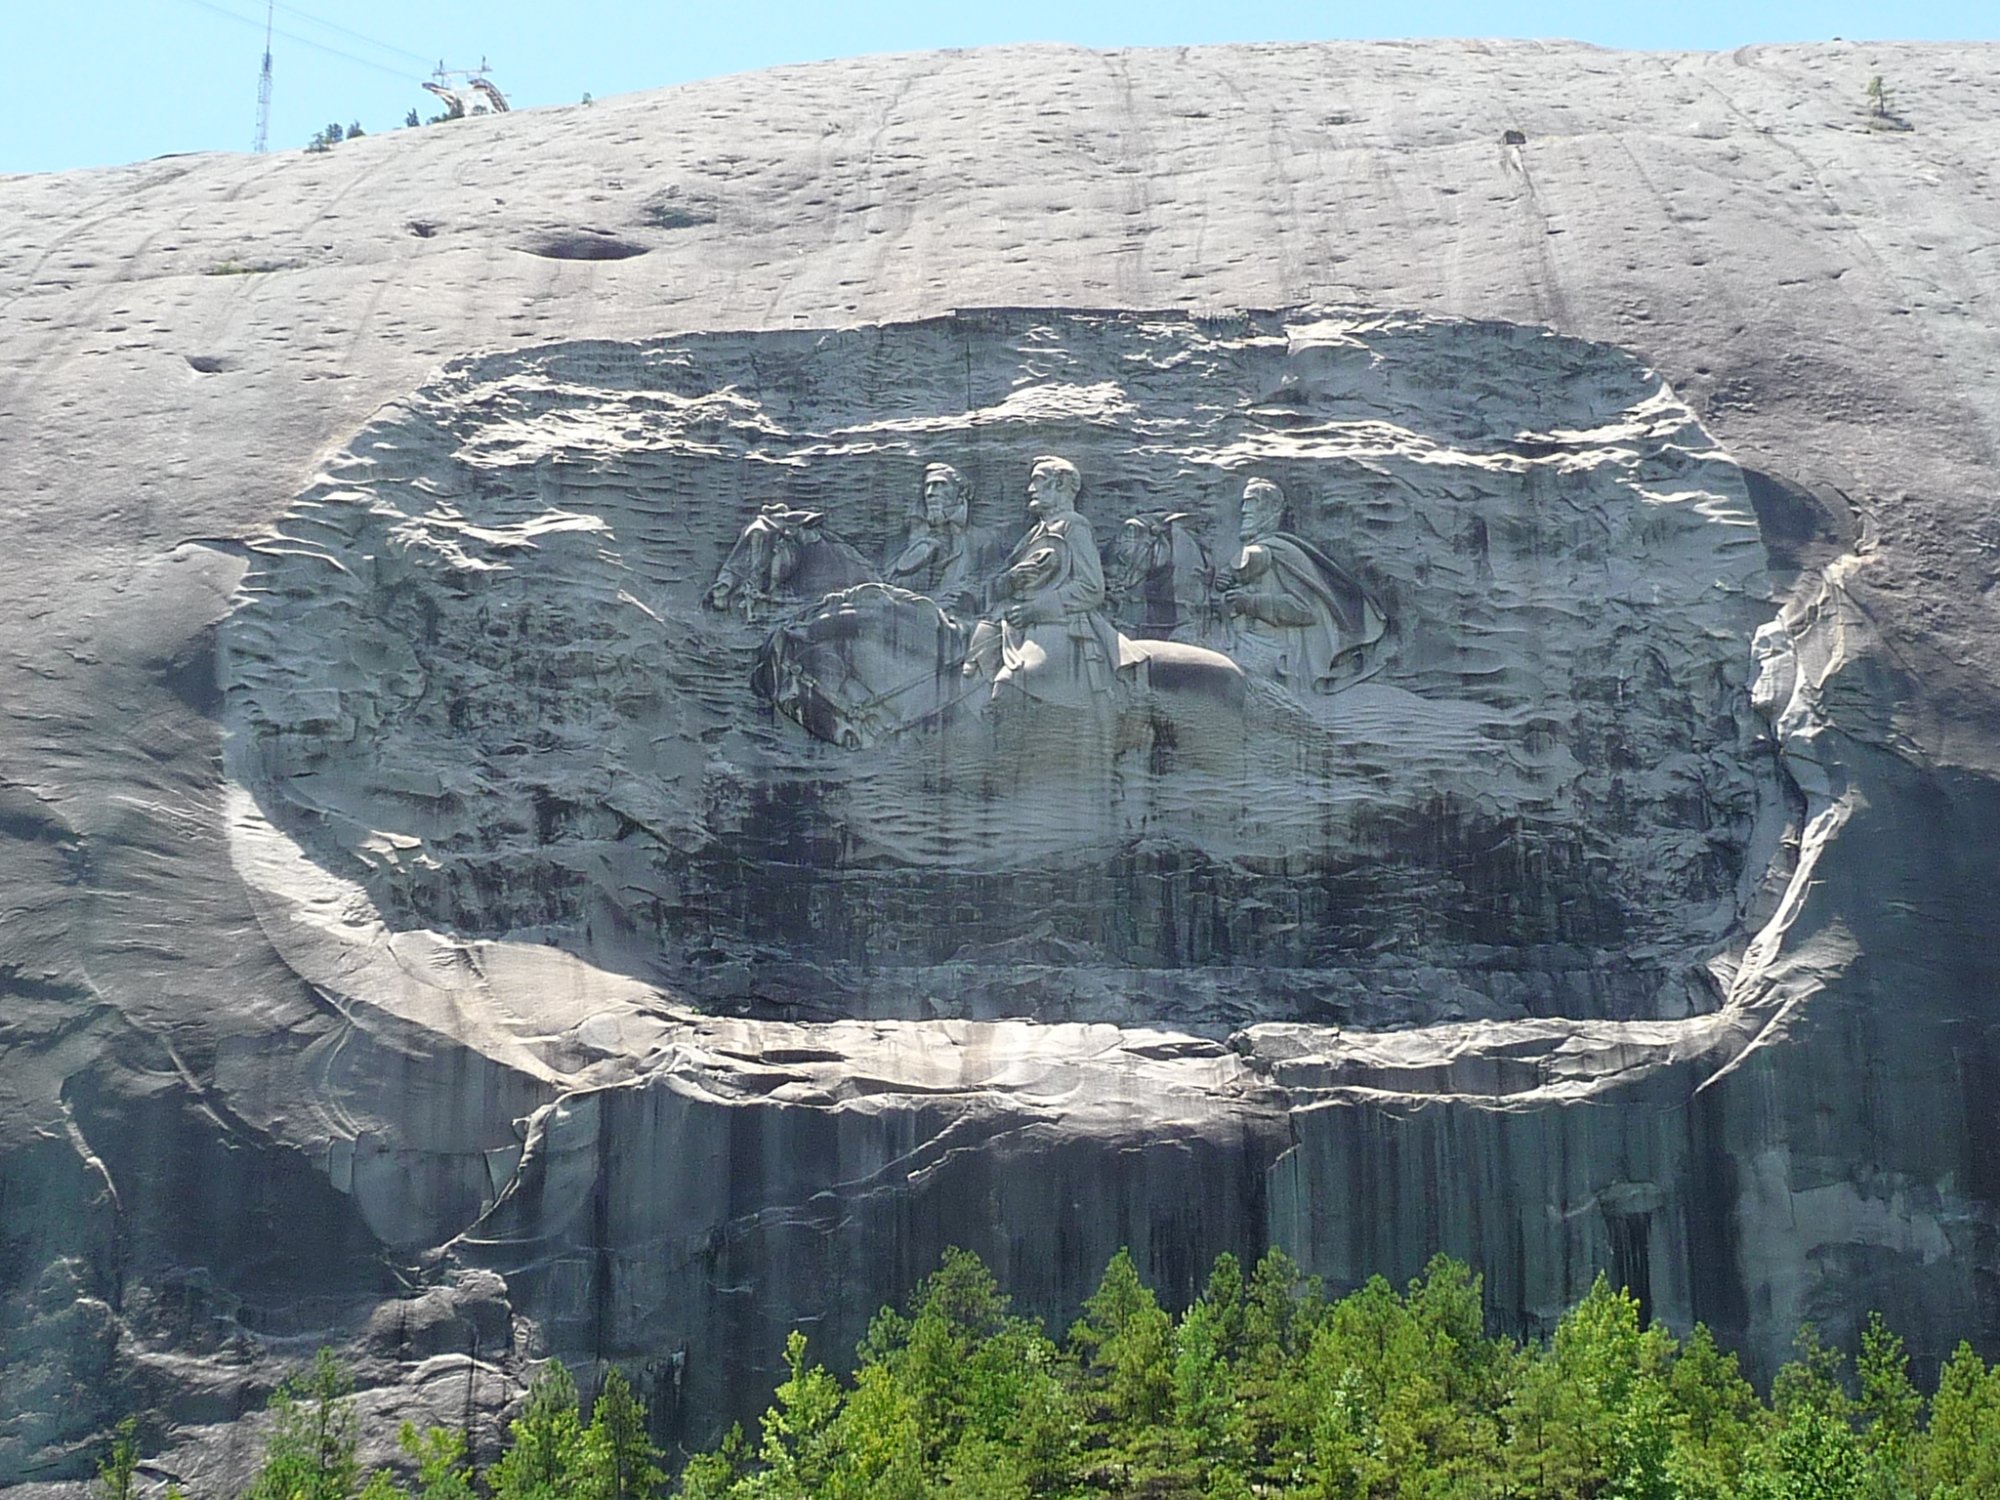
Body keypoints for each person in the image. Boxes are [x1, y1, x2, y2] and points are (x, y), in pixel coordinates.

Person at [966, 456, 1126, 710]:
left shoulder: (1074, 526)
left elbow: (1092, 587)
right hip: (1015, 626)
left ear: (1060, 484)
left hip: (1061, 626)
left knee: (1011, 684)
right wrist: (1011, 579)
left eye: (1038, 481)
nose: (1030, 489)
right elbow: (1000, 583)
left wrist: (1035, 610)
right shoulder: (1035, 533)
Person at [1223, 478, 1385, 692]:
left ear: (1271, 510)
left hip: (1275, 651)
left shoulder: (1282, 553)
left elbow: (1305, 610)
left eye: (1253, 502)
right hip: (1239, 639)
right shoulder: (1254, 553)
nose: (1245, 510)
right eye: (1245, 503)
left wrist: (1249, 603)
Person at [882, 462, 1005, 615]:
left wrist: (967, 598)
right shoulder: (909, 540)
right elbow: (889, 587)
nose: (930, 493)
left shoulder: (984, 540)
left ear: (961, 492)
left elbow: (994, 586)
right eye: (927, 487)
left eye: (939, 485)